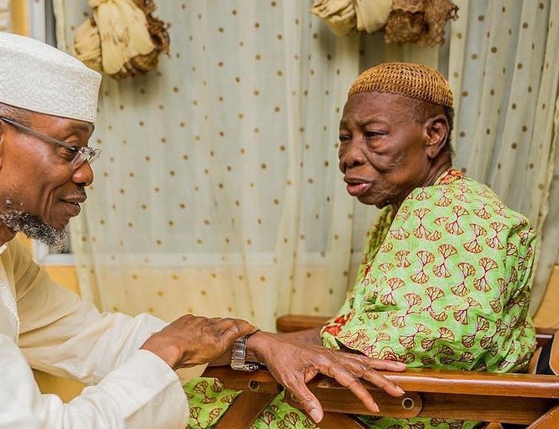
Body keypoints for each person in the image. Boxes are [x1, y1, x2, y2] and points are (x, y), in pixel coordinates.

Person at [0, 30, 407, 428]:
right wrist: (168, 353)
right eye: (70, 148)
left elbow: (95, 339)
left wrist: (249, 341)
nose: (86, 174)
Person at [186, 62, 537, 429]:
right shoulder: (408, 209)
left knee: (198, 401)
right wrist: (255, 343)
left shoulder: (457, 214)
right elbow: (362, 330)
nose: (348, 156)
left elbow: (402, 345)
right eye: (345, 137)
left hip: (387, 411)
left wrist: (253, 349)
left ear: (434, 134)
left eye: (373, 135)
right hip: (368, 402)